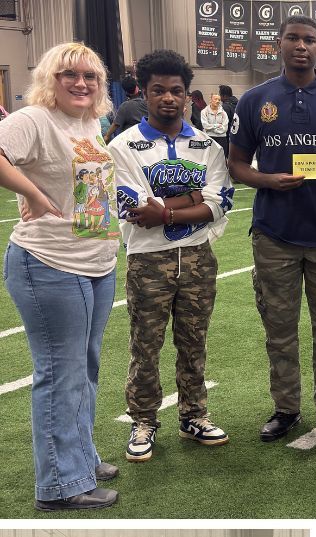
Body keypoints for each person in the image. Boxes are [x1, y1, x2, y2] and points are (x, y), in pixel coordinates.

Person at [229, 14, 316, 444]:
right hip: (274, 237)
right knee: (279, 329)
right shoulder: (254, 100)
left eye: (309, 40)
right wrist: (267, 181)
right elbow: (235, 164)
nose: (301, 46)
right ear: (278, 44)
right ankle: (285, 408)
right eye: (293, 38)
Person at [0, 42, 120, 510]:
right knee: (59, 374)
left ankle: (81, 457)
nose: (81, 84)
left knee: (83, 370)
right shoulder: (33, 119)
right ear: (49, 79)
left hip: (95, 263)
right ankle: (59, 485)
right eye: (69, 74)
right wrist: (30, 191)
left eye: (90, 76)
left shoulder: (90, 121)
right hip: (49, 263)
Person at [110, 49, 234, 464]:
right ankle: (143, 420)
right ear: (144, 93)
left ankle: (194, 414)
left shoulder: (207, 147)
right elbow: (132, 206)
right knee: (145, 344)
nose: (168, 97)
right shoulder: (124, 146)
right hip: (148, 261)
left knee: (193, 341)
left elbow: (220, 202)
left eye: (176, 90)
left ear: (187, 95)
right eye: (158, 90)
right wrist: (191, 200)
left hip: (198, 256)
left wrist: (163, 207)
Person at [104, 75, 146, 141]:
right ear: (137, 88)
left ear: (126, 92)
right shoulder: (148, 104)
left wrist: (107, 136)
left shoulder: (125, 106)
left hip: (131, 141)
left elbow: (115, 124)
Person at [200, 92, 229, 157]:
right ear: (211, 100)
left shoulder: (223, 113)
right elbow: (205, 126)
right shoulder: (204, 112)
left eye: (219, 100)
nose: (217, 101)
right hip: (209, 138)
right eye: (215, 99)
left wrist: (212, 128)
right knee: (209, 158)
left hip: (222, 138)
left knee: (222, 158)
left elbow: (225, 128)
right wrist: (217, 125)